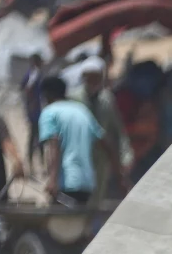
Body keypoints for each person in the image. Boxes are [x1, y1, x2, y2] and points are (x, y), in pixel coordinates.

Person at [39, 75, 116, 205]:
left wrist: (53, 180)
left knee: (60, 224)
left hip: (65, 182)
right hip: (87, 183)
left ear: (46, 95)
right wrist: (120, 178)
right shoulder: (82, 110)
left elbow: (54, 143)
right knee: (80, 223)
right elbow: (106, 142)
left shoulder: (49, 112)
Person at [72, 57, 131, 198]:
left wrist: (125, 153)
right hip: (79, 155)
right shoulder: (74, 98)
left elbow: (117, 129)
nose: (92, 81)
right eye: (89, 77)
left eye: (96, 77)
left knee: (97, 197)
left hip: (101, 156)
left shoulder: (107, 99)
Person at [22, 53, 45, 172]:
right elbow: (27, 89)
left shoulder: (33, 73)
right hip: (35, 111)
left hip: (35, 110)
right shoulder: (34, 73)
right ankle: (34, 164)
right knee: (36, 137)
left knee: (36, 136)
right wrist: (33, 104)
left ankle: (37, 164)